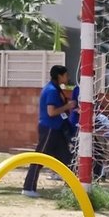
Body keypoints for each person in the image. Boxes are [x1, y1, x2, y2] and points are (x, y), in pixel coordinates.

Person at [21, 65, 77, 198]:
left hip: (58, 130)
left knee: (67, 159)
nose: (68, 77)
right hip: (49, 129)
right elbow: (51, 112)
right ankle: (28, 188)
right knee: (39, 158)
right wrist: (67, 106)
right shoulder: (51, 90)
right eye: (66, 75)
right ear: (59, 76)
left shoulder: (56, 89)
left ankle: (73, 191)